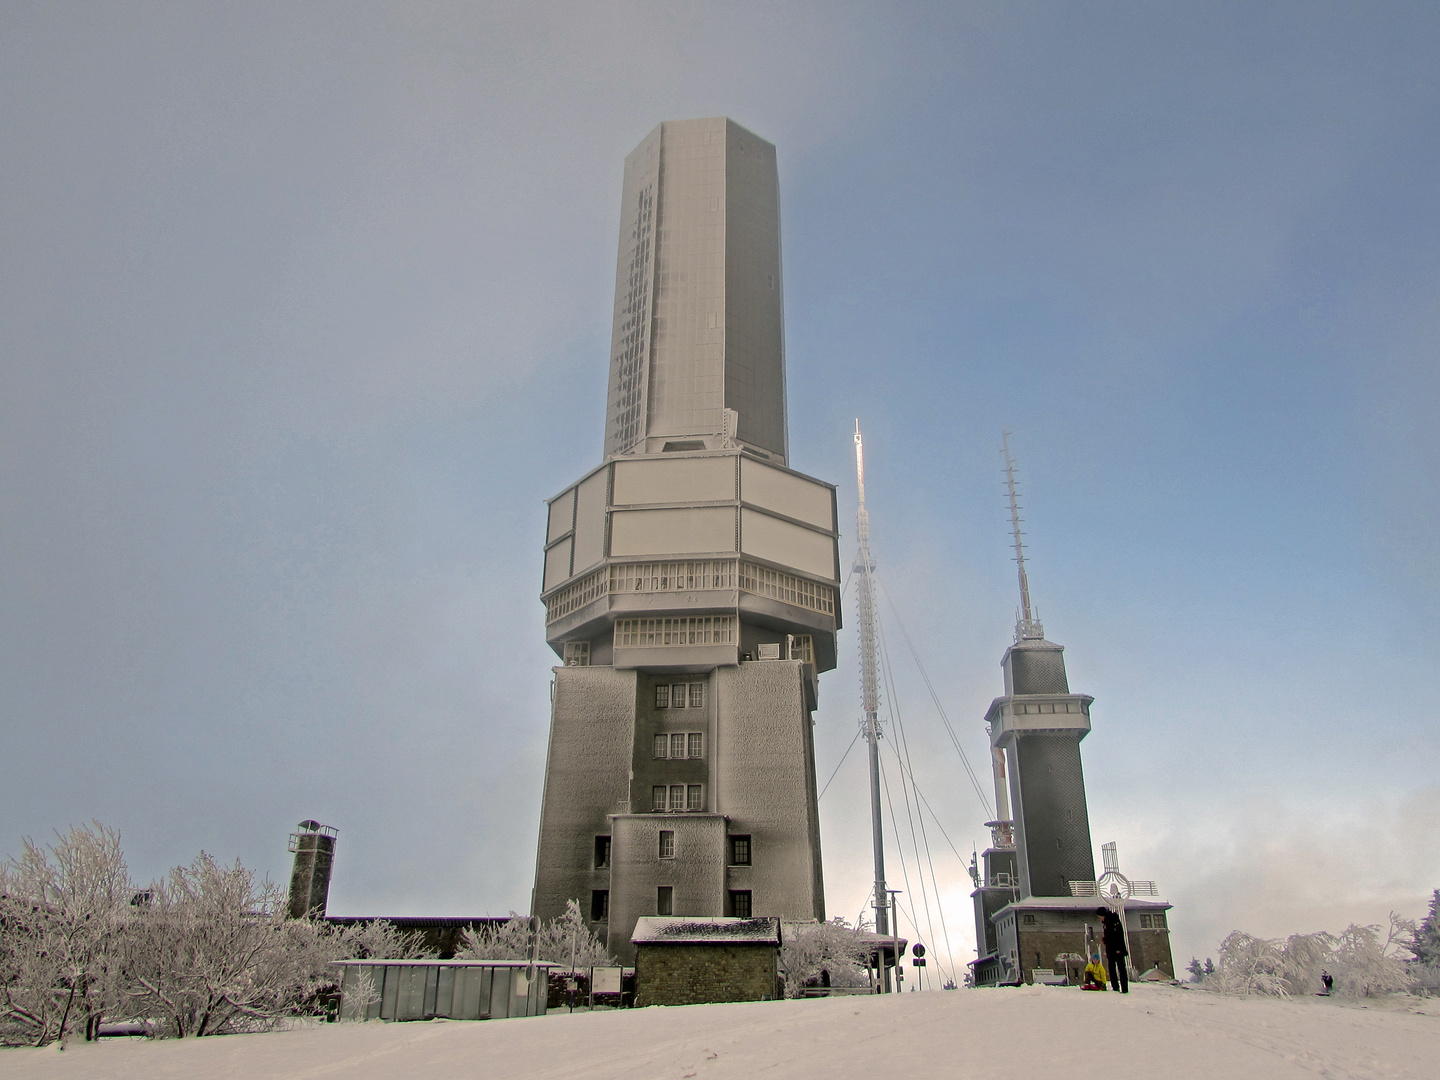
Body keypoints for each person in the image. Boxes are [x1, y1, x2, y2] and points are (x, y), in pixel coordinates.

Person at [1096, 907, 1129, 994]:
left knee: (1119, 968)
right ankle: (1116, 987)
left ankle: (1122, 988)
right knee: (1113, 968)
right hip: (1112, 949)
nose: (1100, 918)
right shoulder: (1109, 921)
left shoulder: (1112, 921)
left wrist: (1108, 941)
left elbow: (1116, 935)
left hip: (1116, 949)